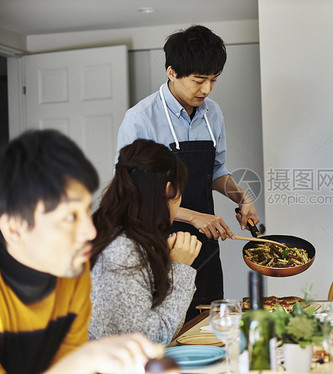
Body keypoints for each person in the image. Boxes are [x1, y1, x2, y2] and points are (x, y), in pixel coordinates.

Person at [116, 24, 259, 320]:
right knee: (165, 329)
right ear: (171, 72)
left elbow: (216, 170)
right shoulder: (141, 119)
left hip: (204, 244)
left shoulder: (213, 113)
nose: (206, 89)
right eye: (199, 80)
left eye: (213, 80)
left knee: (206, 324)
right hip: (157, 243)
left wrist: (242, 198)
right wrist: (193, 216)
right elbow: (132, 193)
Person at [0, 130, 160, 373]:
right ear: (15, 229)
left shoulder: (72, 272)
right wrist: (85, 359)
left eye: (87, 210)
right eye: (70, 217)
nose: (90, 232)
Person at [89, 139, 202, 345]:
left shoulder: (124, 236)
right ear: (169, 190)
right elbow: (152, 340)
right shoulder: (123, 252)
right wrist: (179, 269)